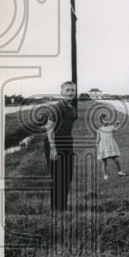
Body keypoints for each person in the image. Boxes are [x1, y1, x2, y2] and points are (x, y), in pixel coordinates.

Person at [45, 81, 79, 210]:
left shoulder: (73, 108)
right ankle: (56, 208)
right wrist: (53, 148)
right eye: (68, 90)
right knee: (57, 177)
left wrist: (70, 145)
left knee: (67, 177)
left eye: (72, 90)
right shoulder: (56, 107)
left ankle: (62, 206)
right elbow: (49, 129)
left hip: (67, 144)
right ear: (62, 92)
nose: (70, 93)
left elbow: (68, 127)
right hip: (54, 144)